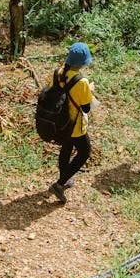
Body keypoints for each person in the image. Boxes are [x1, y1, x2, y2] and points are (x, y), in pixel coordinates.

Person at [49, 42, 98, 204]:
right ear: (84, 62)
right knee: (85, 152)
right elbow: (86, 108)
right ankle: (60, 183)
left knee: (67, 148)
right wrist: (89, 91)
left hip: (59, 122)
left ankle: (65, 180)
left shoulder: (58, 72)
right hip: (75, 125)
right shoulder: (82, 81)